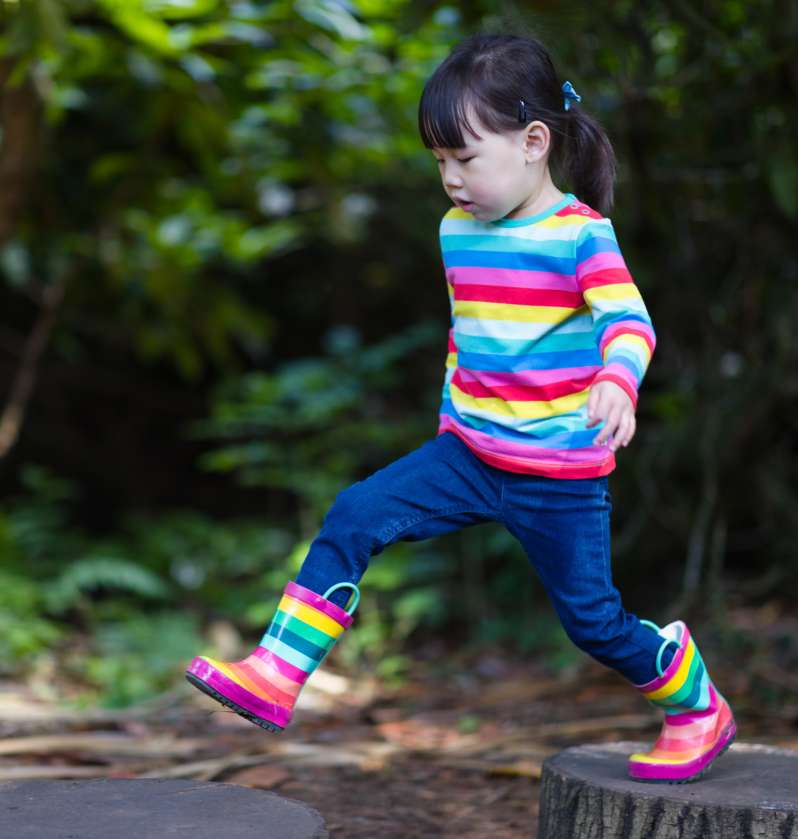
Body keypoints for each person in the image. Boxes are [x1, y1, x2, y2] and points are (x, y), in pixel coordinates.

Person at [186, 32, 735, 784]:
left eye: (465, 158)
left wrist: (616, 378)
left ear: (533, 142)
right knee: (354, 512)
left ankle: (694, 700)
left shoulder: (579, 235)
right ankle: (275, 672)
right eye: (439, 161)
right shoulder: (455, 232)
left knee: (593, 623)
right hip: (468, 454)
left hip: (558, 473)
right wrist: (455, 413)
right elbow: (468, 333)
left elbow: (629, 322)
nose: (450, 179)